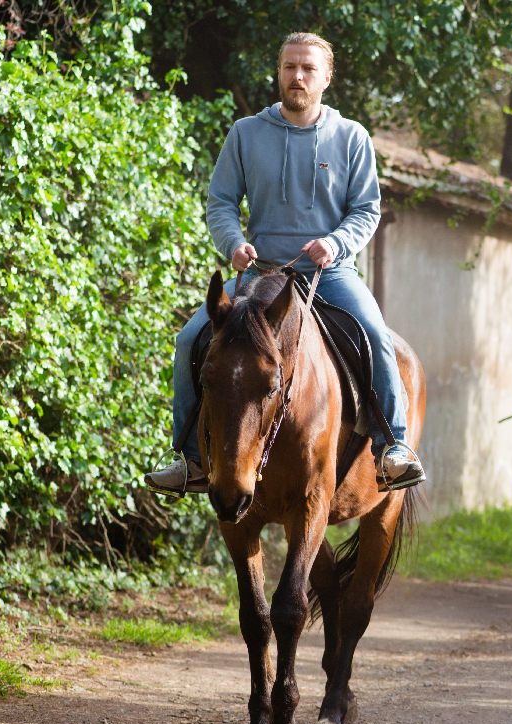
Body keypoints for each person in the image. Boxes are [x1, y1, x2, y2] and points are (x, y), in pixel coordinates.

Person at [144, 31, 425, 497]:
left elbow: (367, 210)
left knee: (374, 334)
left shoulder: (352, 137)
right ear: (278, 72)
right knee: (190, 337)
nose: (297, 76)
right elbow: (220, 203)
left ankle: (392, 448)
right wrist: (233, 243)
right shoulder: (246, 133)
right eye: (289, 67)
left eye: (308, 69)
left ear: (326, 77)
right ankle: (189, 458)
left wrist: (336, 244)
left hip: (329, 274)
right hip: (260, 275)